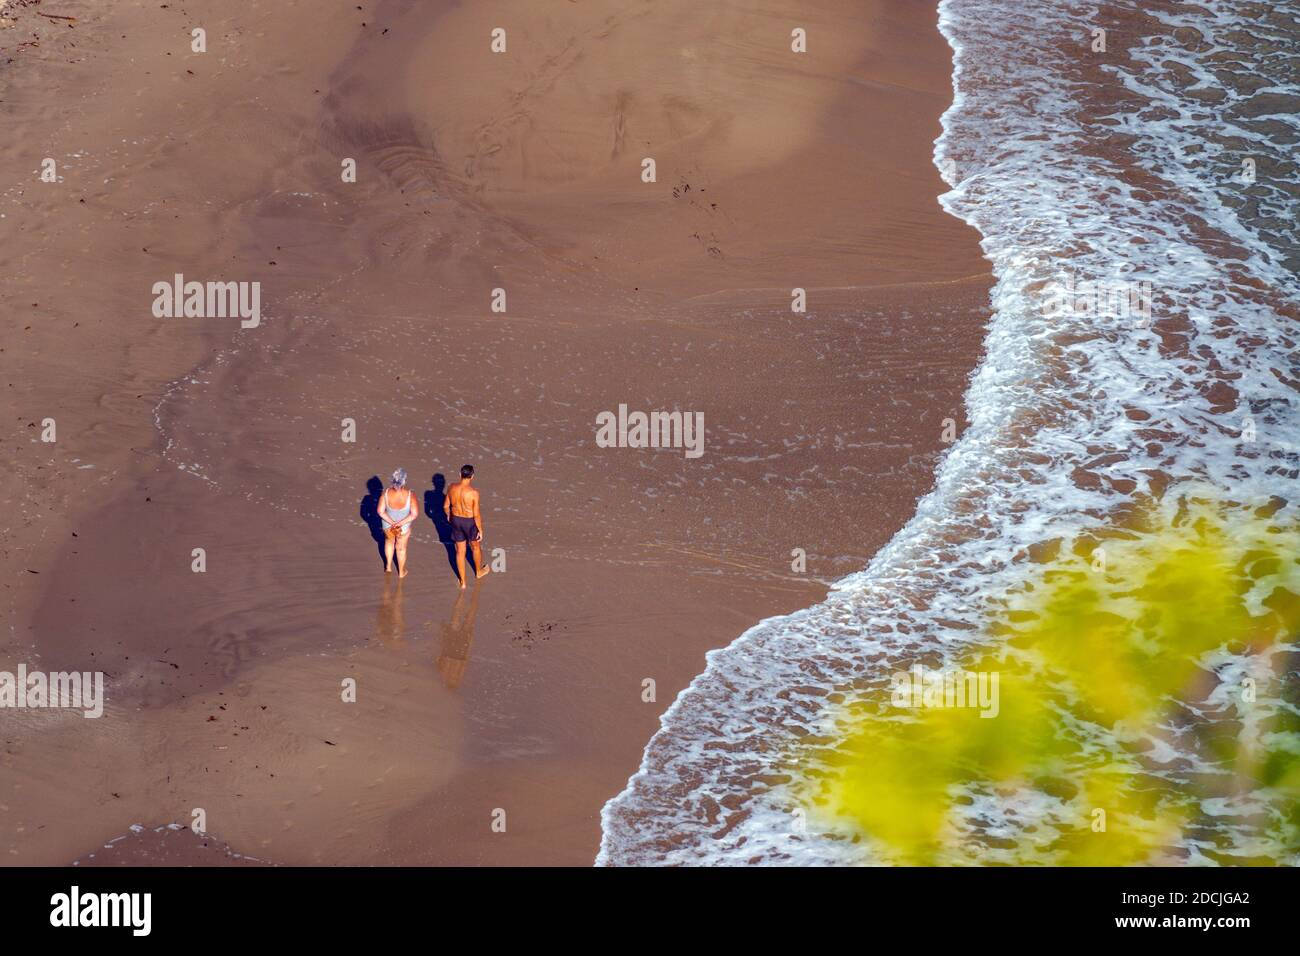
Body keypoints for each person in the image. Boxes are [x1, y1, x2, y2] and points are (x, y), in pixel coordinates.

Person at [444, 464, 489, 588]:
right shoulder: (474, 493)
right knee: (475, 547)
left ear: (460, 474)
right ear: (472, 476)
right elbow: (476, 514)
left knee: (460, 551)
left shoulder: (451, 487)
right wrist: (480, 529)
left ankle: (463, 582)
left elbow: (446, 506)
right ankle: (479, 572)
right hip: (469, 522)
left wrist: (449, 515)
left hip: (456, 520)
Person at [378, 467, 418, 577]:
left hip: (387, 525)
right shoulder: (410, 495)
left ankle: (388, 567)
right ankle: (401, 572)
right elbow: (414, 514)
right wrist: (400, 523)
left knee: (389, 543)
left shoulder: (385, 494)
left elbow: (380, 512)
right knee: (401, 548)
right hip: (403, 527)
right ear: (404, 481)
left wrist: (392, 522)